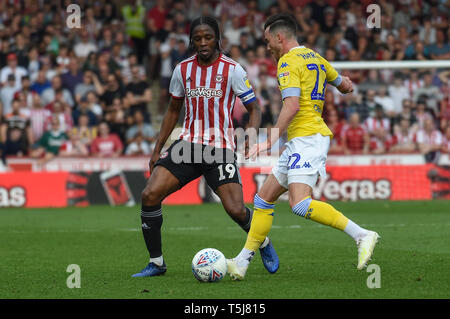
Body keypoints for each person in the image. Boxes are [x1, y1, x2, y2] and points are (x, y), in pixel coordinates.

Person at [227, 14, 380, 280]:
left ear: (279, 37)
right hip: (303, 139)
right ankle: (241, 262)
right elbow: (344, 85)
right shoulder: (314, 57)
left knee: (299, 204)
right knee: (263, 199)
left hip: (308, 138)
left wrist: (270, 139)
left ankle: (362, 235)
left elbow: (292, 105)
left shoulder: (287, 62)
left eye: (267, 41)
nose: (267, 47)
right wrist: (345, 84)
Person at [132, 16, 279, 278]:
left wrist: (250, 135)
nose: (202, 43)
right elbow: (173, 110)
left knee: (236, 210)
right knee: (149, 195)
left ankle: (264, 242)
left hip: (219, 148)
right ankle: (156, 263)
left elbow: (254, 108)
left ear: (218, 40)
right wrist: (157, 149)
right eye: (197, 38)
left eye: (208, 37)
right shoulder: (182, 69)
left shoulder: (233, 69)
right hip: (187, 145)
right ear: (191, 41)